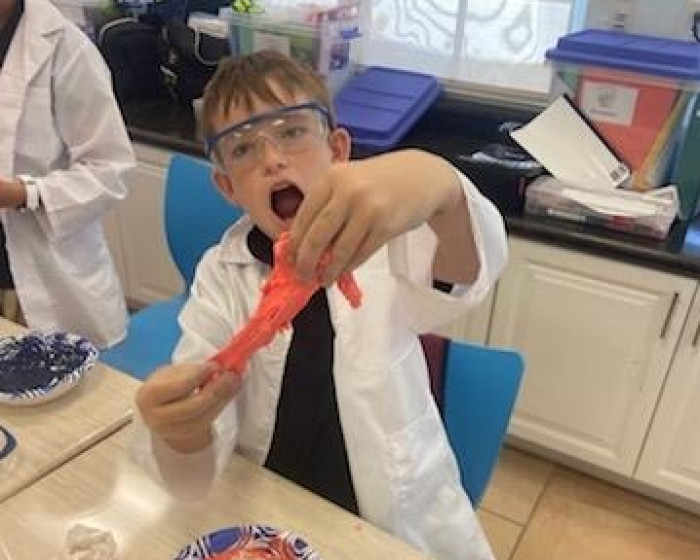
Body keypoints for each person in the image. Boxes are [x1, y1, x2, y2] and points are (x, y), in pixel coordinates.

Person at [132, 50, 508, 560]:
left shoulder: (388, 244)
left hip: (389, 519)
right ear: (227, 187)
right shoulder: (222, 275)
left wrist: (440, 186)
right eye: (242, 148)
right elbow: (196, 455)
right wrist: (183, 430)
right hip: (273, 509)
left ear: (337, 150)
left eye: (291, 132)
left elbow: (465, 271)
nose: (272, 159)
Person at [0, 0, 134, 347]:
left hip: (37, 279)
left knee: (46, 372)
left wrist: (22, 194)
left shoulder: (65, 47)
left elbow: (109, 170)